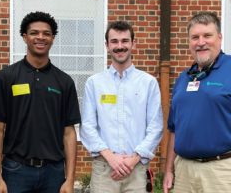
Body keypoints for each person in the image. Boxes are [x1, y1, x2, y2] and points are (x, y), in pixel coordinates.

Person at [0, 11, 81, 193]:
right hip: (15, 171)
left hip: (53, 172)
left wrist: (69, 179)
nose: (41, 37)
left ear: (53, 38)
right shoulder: (6, 77)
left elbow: (69, 133)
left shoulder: (64, 82)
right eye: (34, 33)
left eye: (46, 33)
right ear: (25, 37)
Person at [80, 20, 163, 193]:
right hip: (104, 170)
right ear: (107, 45)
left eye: (125, 41)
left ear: (133, 43)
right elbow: (87, 127)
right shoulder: (94, 83)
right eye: (114, 41)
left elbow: (156, 127)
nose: (120, 46)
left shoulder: (148, 83)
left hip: (136, 169)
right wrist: (112, 158)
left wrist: (132, 160)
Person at [163, 11, 231, 193]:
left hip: (221, 171)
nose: (201, 42)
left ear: (219, 37)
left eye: (207, 35)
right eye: (195, 37)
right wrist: (169, 170)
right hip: (184, 171)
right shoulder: (184, 78)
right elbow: (174, 129)